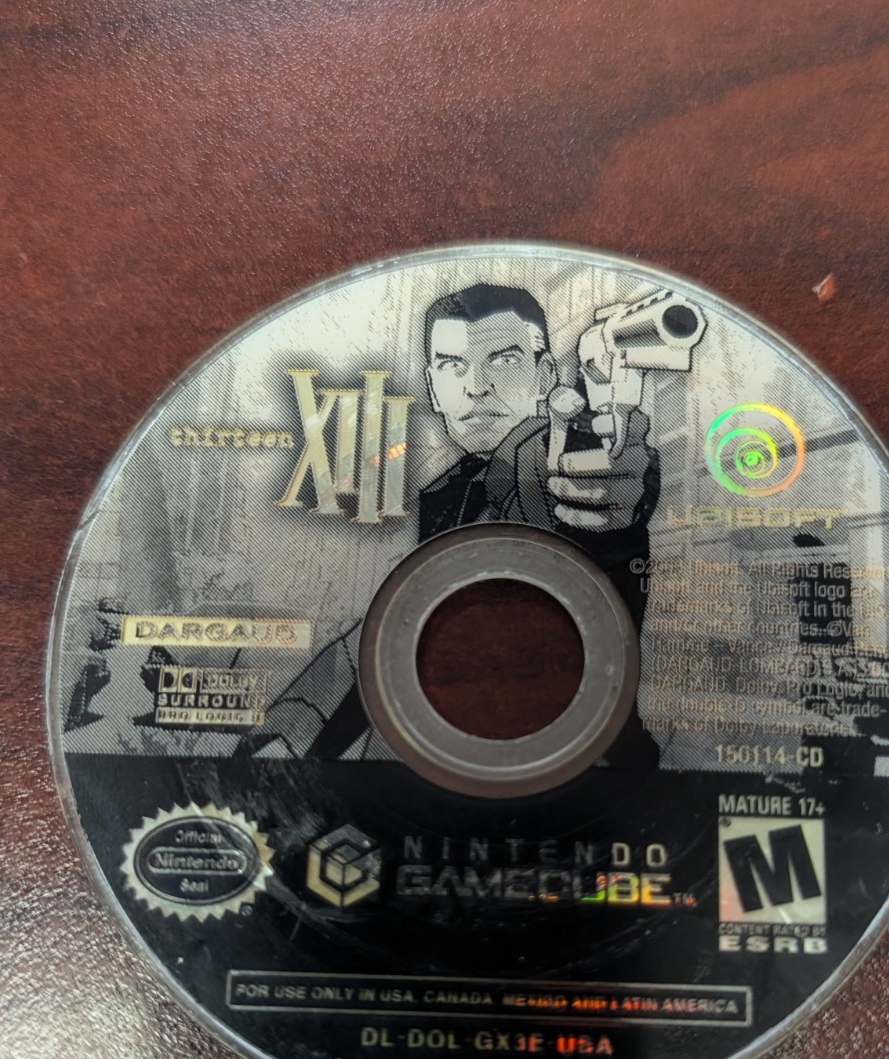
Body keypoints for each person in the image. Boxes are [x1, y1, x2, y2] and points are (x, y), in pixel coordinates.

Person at [257, 282, 662, 762]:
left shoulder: (543, 460)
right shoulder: (450, 491)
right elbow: (389, 638)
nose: (475, 386)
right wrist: (285, 737)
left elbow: (590, 498)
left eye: (504, 360)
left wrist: (607, 489)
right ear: (433, 387)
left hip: (591, 772)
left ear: (545, 376)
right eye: (453, 366)